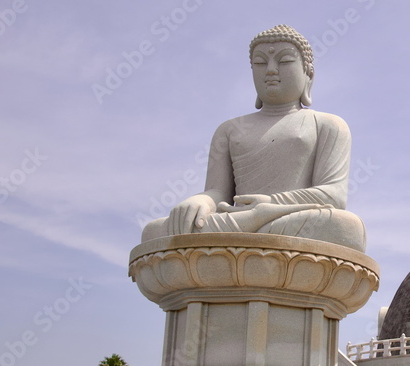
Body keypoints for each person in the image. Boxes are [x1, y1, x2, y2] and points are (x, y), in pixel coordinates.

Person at [141, 25, 366, 251]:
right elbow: (219, 192)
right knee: (154, 232)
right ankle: (247, 234)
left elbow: (334, 195)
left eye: (284, 61)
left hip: (288, 218)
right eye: (260, 63)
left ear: (309, 74)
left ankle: (241, 238)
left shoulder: (328, 124)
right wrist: (201, 201)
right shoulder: (229, 129)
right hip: (237, 220)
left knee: (345, 227)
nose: (270, 70)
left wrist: (270, 205)